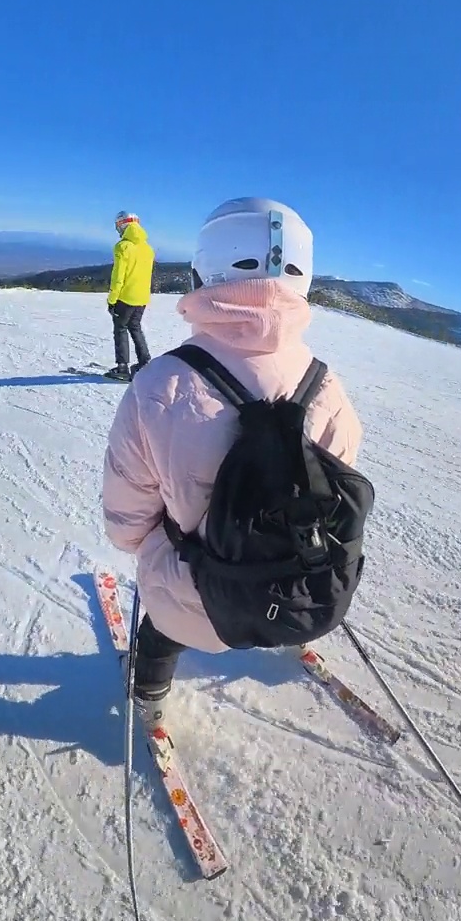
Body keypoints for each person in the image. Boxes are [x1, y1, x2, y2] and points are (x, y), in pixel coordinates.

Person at [102, 197, 364, 728]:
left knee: (164, 624)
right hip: (299, 594)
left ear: (204, 273)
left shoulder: (158, 385)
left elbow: (126, 527)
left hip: (197, 600)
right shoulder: (329, 387)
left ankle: (150, 697)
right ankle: (281, 635)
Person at [104, 211, 155, 381]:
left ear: (122, 225)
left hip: (125, 297)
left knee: (120, 329)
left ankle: (122, 367)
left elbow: (118, 277)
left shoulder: (122, 246)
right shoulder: (148, 249)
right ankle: (145, 362)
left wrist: (112, 300)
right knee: (135, 327)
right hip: (142, 298)